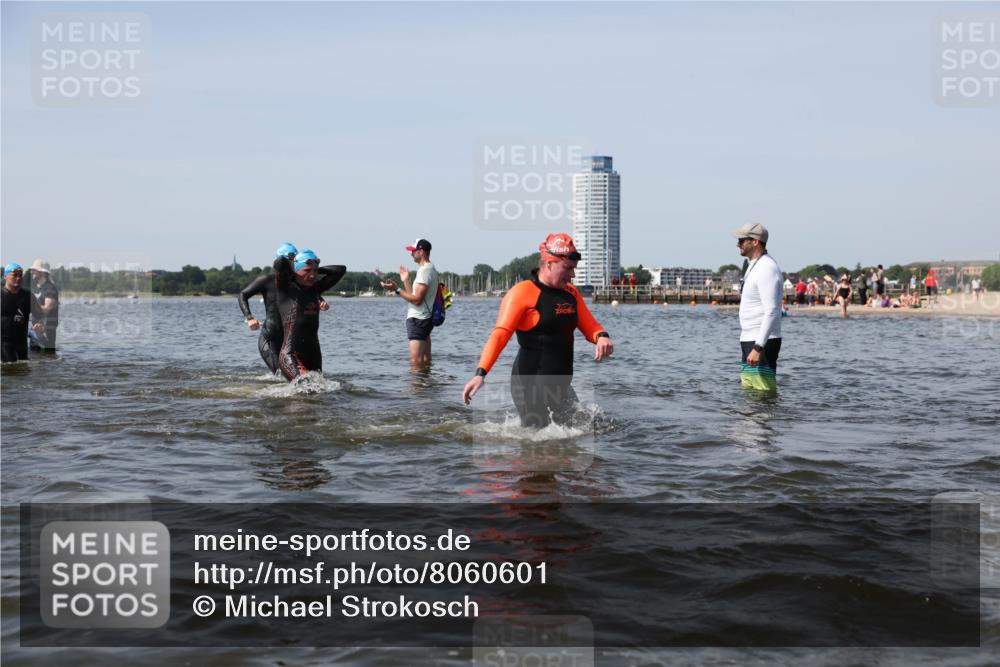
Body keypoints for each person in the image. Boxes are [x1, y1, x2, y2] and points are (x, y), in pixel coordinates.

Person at [462, 233, 613, 427]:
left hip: (561, 385)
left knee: (584, 431)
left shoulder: (571, 293)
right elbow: (500, 334)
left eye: (574, 269)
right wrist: (480, 374)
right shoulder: (522, 293)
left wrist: (601, 336)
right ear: (549, 263)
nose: (572, 275)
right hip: (529, 385)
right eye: (567, 268)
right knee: (539, 444)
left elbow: (589, 324)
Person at [239, 242, 330, 374]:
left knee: (304, 376)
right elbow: (243, 295)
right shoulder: (267, 280)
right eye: (290, 261)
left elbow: (312, 293)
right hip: (272, 335)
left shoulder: (299, 282)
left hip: (288, 337)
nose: (292, 264)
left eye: (295, 261)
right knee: (280, 374)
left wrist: (320, 300)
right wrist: (249, 317)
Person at [273, 249, 346, 381]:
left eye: (315, 271)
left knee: (318, 394)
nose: (313, 275)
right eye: (307, 271)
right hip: (290, 354)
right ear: (295, 271)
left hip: (313, 354)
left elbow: (340, 270)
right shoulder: (285, 288)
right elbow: (279, 263)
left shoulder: (315, 288)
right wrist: (294, 265)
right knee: (305, 387)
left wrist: (313, 266)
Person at [731, 223, 783, 391]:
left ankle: (766, 418)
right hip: (750, 338)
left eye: (741, 240)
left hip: (761, 342)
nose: (738, 244)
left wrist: (758, 347)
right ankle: (750, 419)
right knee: (750, 393)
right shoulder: (755, 265)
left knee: (763, 394)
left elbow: (772, 311)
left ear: (755, 242)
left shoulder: (767, 268)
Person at [380, 239, 438, 366]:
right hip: (425, 319)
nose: (411, 254)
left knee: (415, 362)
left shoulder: (424, 271)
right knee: (425, 360)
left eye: (413, 251)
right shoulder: (430, 269)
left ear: (421, 252)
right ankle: (426, 385)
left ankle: (416, 386)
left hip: (418, 320)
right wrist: (406, 280)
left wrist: (396, 289)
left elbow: (416, 300)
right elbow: (414, 296)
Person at [1, 263, 45, 363]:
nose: (18, 278)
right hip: (3, 343)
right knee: (10, 368)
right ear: (5, 276)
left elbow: (40, 315)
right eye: (15, 275)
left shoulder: (28, 296)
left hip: (21, 344)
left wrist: (39, 324)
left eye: (20, 275)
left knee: (23, 372)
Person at [28, 259, 59, 352]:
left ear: (42, 272)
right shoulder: (41, 288)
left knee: (45, 360)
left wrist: (28, 303)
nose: (31, 271)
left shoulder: (50, 289)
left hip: (45, 333)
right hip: (37, 331)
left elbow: (46, 309)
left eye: (34, 269)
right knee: (35, 361)